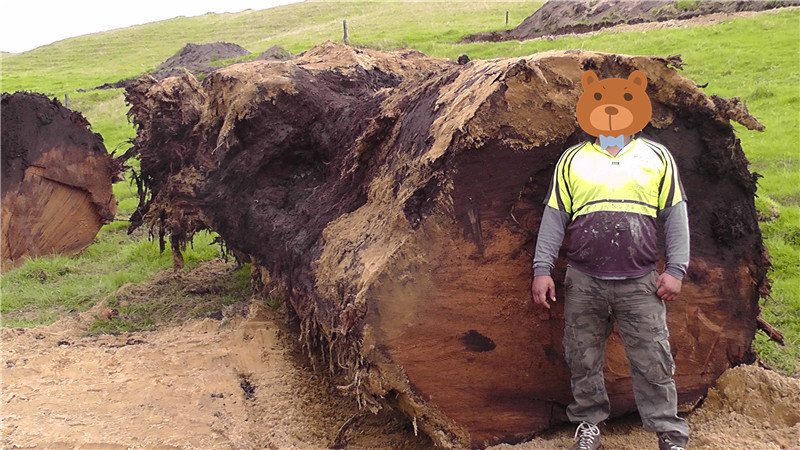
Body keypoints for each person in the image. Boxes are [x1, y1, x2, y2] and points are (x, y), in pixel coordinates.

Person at [530, 70, 690, 450]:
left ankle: (669, 432)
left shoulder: (657, 157)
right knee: (582, 356)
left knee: (653, 357)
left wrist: (677, 269)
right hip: (584, 279)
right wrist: (542, 270)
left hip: (641, 281)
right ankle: (588, 425)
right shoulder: (572, 160)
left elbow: (675, 214)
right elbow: (554, 217)